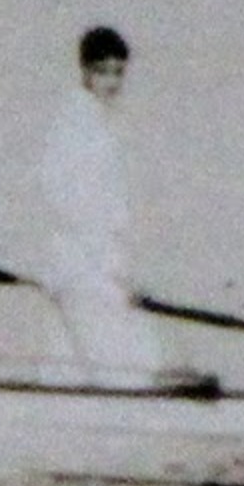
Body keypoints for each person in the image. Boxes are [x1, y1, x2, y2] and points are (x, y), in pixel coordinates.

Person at [38, 26, 169, 381]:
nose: (112, 81)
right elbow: (72, 202)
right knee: (123, 363)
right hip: (83, 265)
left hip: (90, 262)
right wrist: (112, 269)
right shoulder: (78, 124)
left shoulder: (96, 123)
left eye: (118, 72)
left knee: (77, 367)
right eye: (103, 71)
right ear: (85, 72)